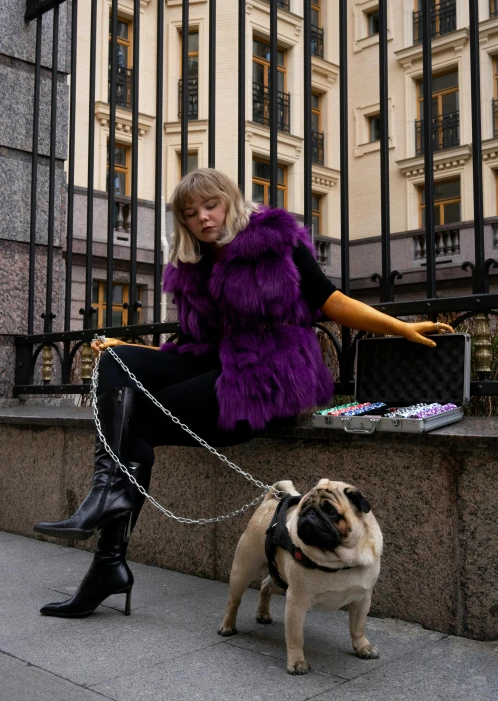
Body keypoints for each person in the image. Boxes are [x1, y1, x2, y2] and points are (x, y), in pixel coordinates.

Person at [34, 168, 453, 618]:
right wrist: (133, 350)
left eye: (210, 206)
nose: (203, 218)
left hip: (269, 374)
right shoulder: (192, 265)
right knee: (116, 362)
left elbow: (330, 300)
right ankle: (107, 530)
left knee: (134, 425)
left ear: (230, 200)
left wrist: (400, 327)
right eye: (191, 213)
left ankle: (107, 557)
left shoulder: (275, 239)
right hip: (219, 361)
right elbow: (196, 342)